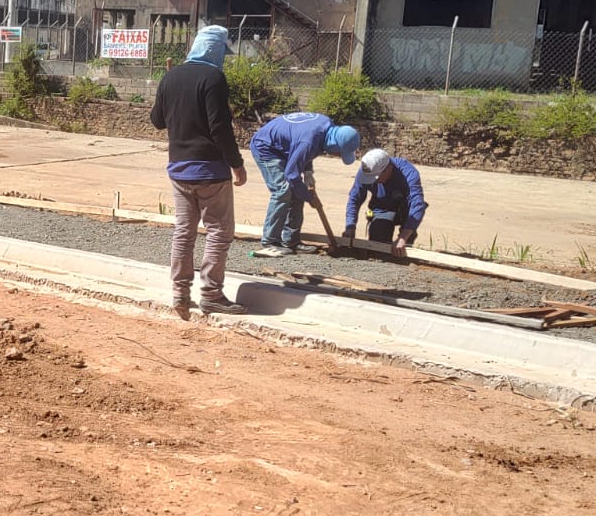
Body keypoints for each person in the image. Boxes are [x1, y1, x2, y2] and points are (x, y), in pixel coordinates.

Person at [151, 25, 248, 319]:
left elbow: (157, 120)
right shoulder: (214, 78)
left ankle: (180, 294)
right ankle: (212, 295)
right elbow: (220, 127)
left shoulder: (171, 76)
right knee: (219, 231)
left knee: (184, 231)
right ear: (216, 50)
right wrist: (237, 164)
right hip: (210, 171)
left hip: (179, 169)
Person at [249, 111, 360, 257]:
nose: (337, 156)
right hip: (266, 147)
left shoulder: (326, 127)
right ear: (334, 145)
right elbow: (292, 174)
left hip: (284, 147)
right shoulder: (310, 140)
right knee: (283, 190)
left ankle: (291, 241)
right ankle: (270, 241)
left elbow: (305, 149)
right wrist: (309, 197)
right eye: (339, 153)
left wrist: (308, 173)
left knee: (296, 190)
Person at [344, 148, 428, 257]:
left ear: (388, 169)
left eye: (375, 178)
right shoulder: (366, 170)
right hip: (382, 206)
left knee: (402, 249)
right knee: (378, 248)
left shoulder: (409, 173)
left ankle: (405, 241)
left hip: (405, 209)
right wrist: (350, 227)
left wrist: (403, 237)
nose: (372, 181)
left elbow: (417, 205)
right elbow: (355, 199)